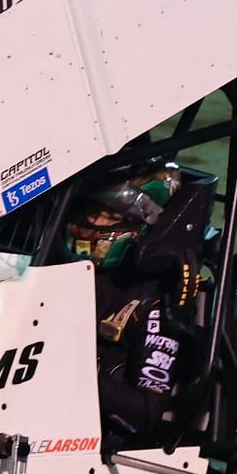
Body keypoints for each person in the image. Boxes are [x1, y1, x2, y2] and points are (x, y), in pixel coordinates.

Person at [62, 165, 211, 447]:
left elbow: (146, 412)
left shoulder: (155, 302)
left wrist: (64, 367)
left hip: (95, 439)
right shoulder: (68, 272)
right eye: (94, 211)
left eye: (112, 216)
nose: (96, 223)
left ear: (145, 226)